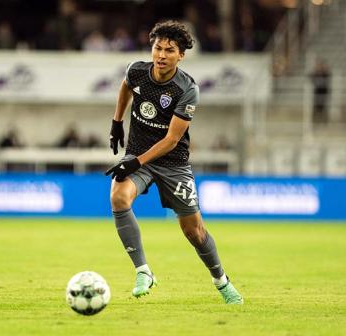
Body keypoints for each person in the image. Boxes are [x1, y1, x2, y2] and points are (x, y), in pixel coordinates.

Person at [104, 21, 243, 304]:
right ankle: (144, 271)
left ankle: (222, 281)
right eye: (158, 48)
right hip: (139, 154)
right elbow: (125, 87)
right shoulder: (137, 70)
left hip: (173, 163)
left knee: (194, 230)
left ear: (181, 55)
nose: (162, 55)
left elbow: (171, 139)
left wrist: (134, 163)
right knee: (118, 197)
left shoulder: (187, 89)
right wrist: (116, 122)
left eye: (169, 50)